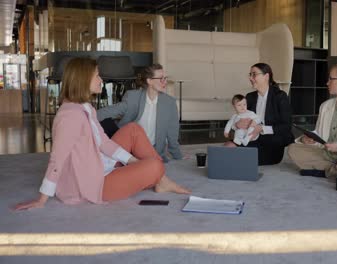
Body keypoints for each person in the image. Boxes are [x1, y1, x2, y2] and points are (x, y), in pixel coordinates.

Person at [15, 58, 190, 211]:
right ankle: (160, 178)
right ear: (83, 79)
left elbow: (104, 143)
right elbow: (57, 159)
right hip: (95, 184)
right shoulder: (70, 116)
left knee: (132, 129)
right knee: (155, 166)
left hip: (101, 164)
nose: (101, 79)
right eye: (97, 75)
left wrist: (134, 162)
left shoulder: (85, 107)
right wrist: (42, 198)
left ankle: (162, 181)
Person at [97, 64, 183, 163]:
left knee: (152, 164)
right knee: (107, 123)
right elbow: (108, 112)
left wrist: (178, 156)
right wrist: (85, 117)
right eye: (160, 78)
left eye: (165, 78)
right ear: (149, 81)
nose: (165, 82)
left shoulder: (169, 102)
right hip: (129, 149)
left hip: (152, 151)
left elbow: (172, 132)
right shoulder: (133, 97)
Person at [227, 63, 294, 165]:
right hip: (250, 138)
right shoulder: (250, 97)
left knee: (239, 158)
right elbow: (239, 119)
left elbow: (286, 126)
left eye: (254, 74)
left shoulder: (280, 96)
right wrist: (236, 125)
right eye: (250, 74)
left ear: (266, 76)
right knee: (227, 147)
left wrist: (261, 128)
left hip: (272, 141)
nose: (250, 78)